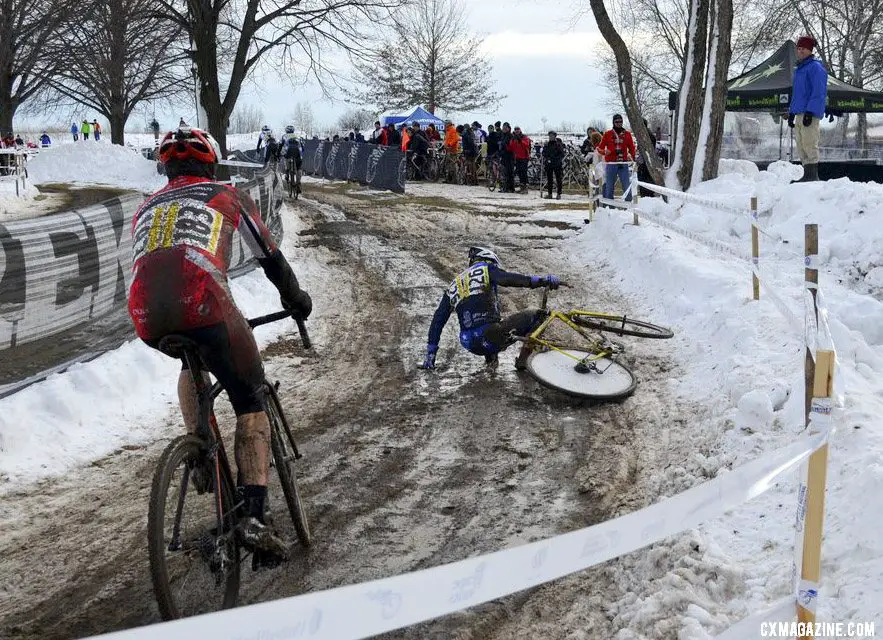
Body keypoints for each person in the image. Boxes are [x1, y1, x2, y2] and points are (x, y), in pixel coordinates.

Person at [127, 125, 312, 567]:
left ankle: (199, 448)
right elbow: (270, 257)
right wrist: (296, 300)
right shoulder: (226, 195)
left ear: (166, 168)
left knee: (190, 360)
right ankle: (252, 514)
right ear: (210, 163)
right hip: (207, 305)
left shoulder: (144, 207)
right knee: (250, 403)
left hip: (147, 316)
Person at [421, 246, 560, 370]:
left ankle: (491, 363)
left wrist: (431, 353)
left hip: (469, 343)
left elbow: (438, 319)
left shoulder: (453, 284)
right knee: (537, 315)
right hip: (490, 335)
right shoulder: (485, 268)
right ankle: (523, 362)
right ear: (490, 261)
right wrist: (539, 281)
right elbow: (506, 278)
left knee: (489, 323)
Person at [788, 35, 827, 182]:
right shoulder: (800, 69)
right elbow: (798, 94)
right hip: (799, 112)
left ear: (810, 50)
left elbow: (818, 92)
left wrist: (811, 111)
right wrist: (792, 112)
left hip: (810, 112)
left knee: (809, 142)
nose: (800, 51)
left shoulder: (815, 68)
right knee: (800, 144)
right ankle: (807, 174)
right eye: (798, 48)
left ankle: (812, 175)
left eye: (803, 48)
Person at [597, 114, 636, 201]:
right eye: (617, 122)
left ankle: (628, 207)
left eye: (621, 121)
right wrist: (605, 152)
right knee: (609, 187)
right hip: (611, 164)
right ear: (613, 122)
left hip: (623, 164)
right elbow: (599, 149)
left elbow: (632, 148)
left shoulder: (627, 134)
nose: (619, 123)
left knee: (627, 186)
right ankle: (609, 207)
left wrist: (633, 158)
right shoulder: (608, 134)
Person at [508, 126, 532, 194]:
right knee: (519, 172)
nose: (516, 131)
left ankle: (525, 188)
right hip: (517, 157)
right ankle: (522, 187)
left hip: (524, 157)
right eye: (515, 130)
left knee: (523, 172)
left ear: (520, 130)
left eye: (517, 129)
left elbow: (526, 145)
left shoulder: (524, 137)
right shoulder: (514, 138)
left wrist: (520, 140)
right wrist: (512, 139)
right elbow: (511, 147)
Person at [542, 131, 565, 199]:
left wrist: (555, 159)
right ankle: (550, 194)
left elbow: (561, 154)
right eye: (550, 136)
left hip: (557, 164)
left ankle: (559, 194)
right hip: (549, 164)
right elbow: (544, 153)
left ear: (555, 136)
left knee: (558, 179)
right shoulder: (547, 144)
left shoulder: (558, 144)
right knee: (549, 179)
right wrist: (547, 158)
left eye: (552, 136)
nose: (551, 137)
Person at [280, 125, 303, 193]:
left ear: (286, 131)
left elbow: (281, 145)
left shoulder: (284, 136)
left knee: (286, 159)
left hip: (289, 152)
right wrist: (301, 155)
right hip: (298, 153)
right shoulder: (297, 136)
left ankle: (287, 173)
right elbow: (302, 147)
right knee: (299, 168)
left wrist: (280, 154)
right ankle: (298, 183)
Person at [499, 122, 515, 192]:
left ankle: (510, 188)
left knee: (509, 172)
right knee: (504, 173)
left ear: (508, 128)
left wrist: (504, 145)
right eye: (503, 128)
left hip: (509, 156)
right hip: (503, 156)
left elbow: (510, 146)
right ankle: (505, 187)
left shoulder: (510, 136)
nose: (504, 129)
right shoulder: (503, 135)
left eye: (505, 128)